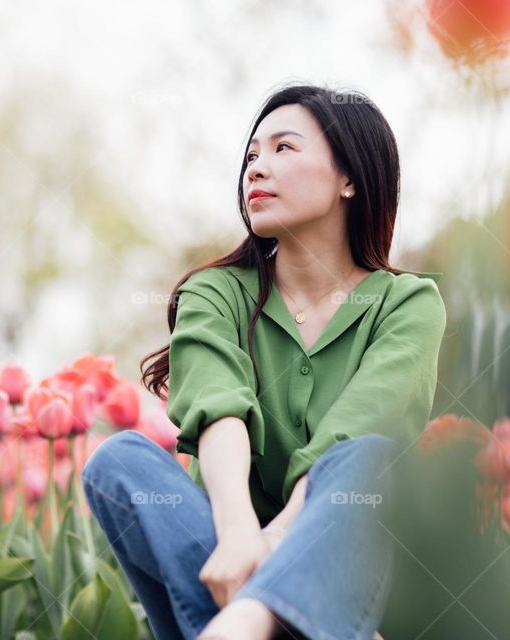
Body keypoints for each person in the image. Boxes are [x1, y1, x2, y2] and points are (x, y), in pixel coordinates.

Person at [82, 82, 447, 640]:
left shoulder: (408, 304)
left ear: (349, 177)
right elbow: (218, 405)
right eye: (252, 155)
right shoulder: (214, 292)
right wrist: (237, 535)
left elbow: (357, 430)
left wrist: (275, 549)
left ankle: (241, 625)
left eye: (283, 149)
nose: (256, 168)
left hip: (340, 569)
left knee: (368, 458)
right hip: (223, 556)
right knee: (119, 462)